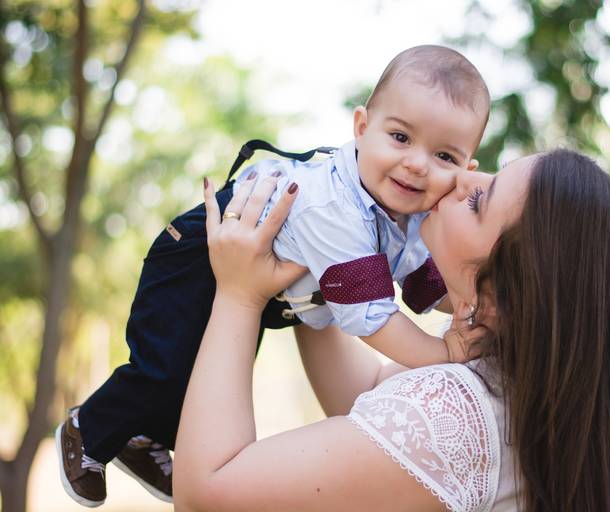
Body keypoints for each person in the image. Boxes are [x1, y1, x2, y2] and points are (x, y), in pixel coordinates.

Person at [55, 45, 490, 507]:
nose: (418, 164)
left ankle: (141, 441)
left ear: (467, 171)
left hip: (264, 285)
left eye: (444, 155)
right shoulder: (334, 208)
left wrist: (481, 303)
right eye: (400, 137)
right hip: (201, 254)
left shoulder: (409, 213)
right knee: (165, 367)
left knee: (199, 377)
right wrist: (442, 352)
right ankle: (87, 428)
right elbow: (371, 317)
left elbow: (424, 283)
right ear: (362, 128)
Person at [173, 149, 610, 511]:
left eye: (479, 201)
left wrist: (239, 295)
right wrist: (326, 245)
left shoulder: (457, 414)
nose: (463, 177)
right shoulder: (508, 392)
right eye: (489, 174)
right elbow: (363, 394)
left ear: (497, 301)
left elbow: (205, 494)